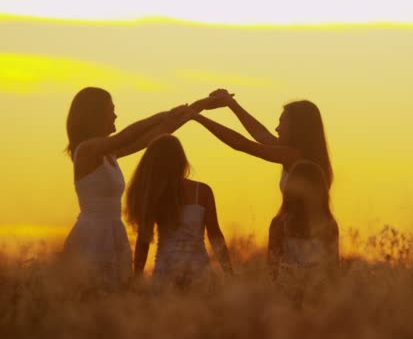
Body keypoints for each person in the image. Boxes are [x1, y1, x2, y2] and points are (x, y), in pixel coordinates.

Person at [64, 87, 219, 286]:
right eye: (110, 110)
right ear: (95, 114)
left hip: (113, 231)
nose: (115, 115)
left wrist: (196, 109)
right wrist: (162, 114)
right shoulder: (87, 150)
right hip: (93, 235)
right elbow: (128, 135)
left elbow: (156, 135)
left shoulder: (109, 153)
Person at [126, 135, 233, 286]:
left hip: (166, 267)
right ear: (181, 160)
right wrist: (228, 272)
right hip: (198, 267)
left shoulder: (153, 194)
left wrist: (137, 277)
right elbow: (215, 234)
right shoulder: (202, 191)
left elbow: (143, 241)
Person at [191, 89, 333, 191]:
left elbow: (241, 144)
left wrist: (196, 117)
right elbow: (261, 134)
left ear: (297, 127)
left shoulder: (296, 156)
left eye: (282, 122)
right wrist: (232, 104)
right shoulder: (296, 153)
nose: (277, 128)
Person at [267, 161, 339, 280]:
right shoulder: (329, 225)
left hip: (288, 292)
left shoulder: (279, 223)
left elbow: (272, 269)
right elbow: (332, 271)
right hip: (316, 292)